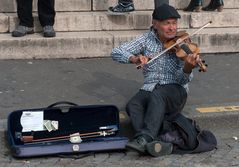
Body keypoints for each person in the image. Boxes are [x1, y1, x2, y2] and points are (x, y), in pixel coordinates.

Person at [111, 4, 202, 156]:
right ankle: (156, 143)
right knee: (133, 104)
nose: (172, 28)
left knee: (157, 94)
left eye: (174, 23)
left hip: (175, 91)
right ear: (155, 24)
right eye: (167, 23)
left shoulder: (183, 45)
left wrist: (187, 67)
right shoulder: (146, 40)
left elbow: (184, 80)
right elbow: (116, 52)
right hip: (150, 87)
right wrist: (134, 58)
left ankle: (145, 137)